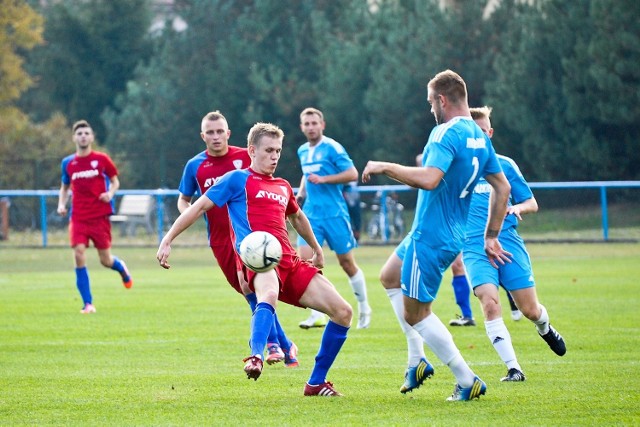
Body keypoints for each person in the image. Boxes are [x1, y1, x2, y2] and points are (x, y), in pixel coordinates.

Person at [157, 122, 352, 397]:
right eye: (269, 150)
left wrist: (316, 249)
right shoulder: (237, 179)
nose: (274, 156)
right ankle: (256, 356)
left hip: (290, 262)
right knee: (268, 293)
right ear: (252, 150)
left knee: (343, 312)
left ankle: (316, 382)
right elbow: (199, 206)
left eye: (278, 151)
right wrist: (168, 239)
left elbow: (297, 217)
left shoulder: (283, 185)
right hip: (257, 260)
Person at [362, 69, 512, 401]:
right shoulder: (479, 135)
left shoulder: (444, 133)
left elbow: (430, 178)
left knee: (416, 314)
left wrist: (385, 166)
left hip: (430, 236)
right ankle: (416, 361)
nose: (431, 109)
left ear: (441, 100)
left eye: (431, 102)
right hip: (448, 234)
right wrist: (491, 235)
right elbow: (502, 187)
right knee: (388, 277)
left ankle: (466, 378)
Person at [177, 111, 297, 367]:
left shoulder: (247, 155)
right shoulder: (194, 165)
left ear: (228, 133)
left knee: (255, 287)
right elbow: (184, 200)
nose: (216, 136)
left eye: (220, 131)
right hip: (220, 238)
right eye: (210, 132)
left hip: (250, 237)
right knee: (246, 290)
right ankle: (285, 344)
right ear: (203, 136)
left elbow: (267, 179)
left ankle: (275, 344)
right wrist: (189, 214)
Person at [463, 106, 566, 382]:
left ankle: (545, 327)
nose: (481, 137)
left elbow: (532, 202)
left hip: (508, 243)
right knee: (489, 301)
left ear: (490, 133)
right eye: (476, 133)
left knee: (530, 310)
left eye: (485, 132)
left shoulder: (505, 166)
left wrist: (518, 208)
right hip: (474, 247)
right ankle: (514, 368)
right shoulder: (458, 169)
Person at [296, 107, 371, 330]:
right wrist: (301, 192)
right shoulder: (302, 150)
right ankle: (316, 314)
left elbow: (352, 174)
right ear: (302, 127)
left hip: (335, 214)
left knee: (346, 263)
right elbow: (306, 174)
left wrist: (325, 179)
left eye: (314, 123)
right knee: (306, 264)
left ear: (322, 125)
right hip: (311, 215)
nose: (310, 127)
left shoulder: (332, 147)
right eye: (306, 124)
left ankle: (364, 307)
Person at [57, 120, 132, 314]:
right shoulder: (68, 163)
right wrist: (61, 204)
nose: (83, 136)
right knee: (78, 254)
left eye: (86, 133)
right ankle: (88, 304)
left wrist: (110, 194)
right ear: (74, 137)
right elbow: (64, 188)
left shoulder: (101, 159)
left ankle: (121, 267)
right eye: (79, 133)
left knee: (105, 260)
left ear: (92, 137)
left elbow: (115, 182)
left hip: (100, 216)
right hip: (79, 217)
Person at [414, 153, 476, 327]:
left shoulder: (474, 158)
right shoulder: (441, 154)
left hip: (468, 220)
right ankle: (467, 315)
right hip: (453, 223)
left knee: (490, 263)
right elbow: (421, 162)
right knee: (458, 266)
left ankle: (514, 298)